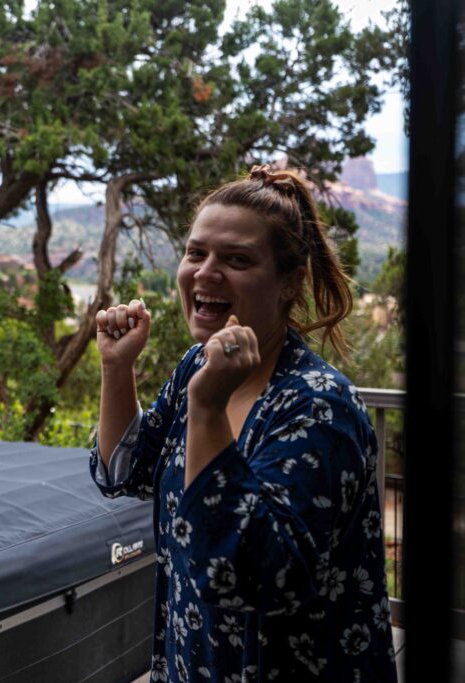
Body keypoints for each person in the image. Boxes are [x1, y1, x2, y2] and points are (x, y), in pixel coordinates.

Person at [91, 165, 396, 682]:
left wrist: (208, 409)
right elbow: (126, 473)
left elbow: (248, 578)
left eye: (236, 259)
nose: (206, 272)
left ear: (288, 282)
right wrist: (116, 368)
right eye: (196, 252)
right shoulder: (197, 367)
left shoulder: (320, 406)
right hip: (194, 663)